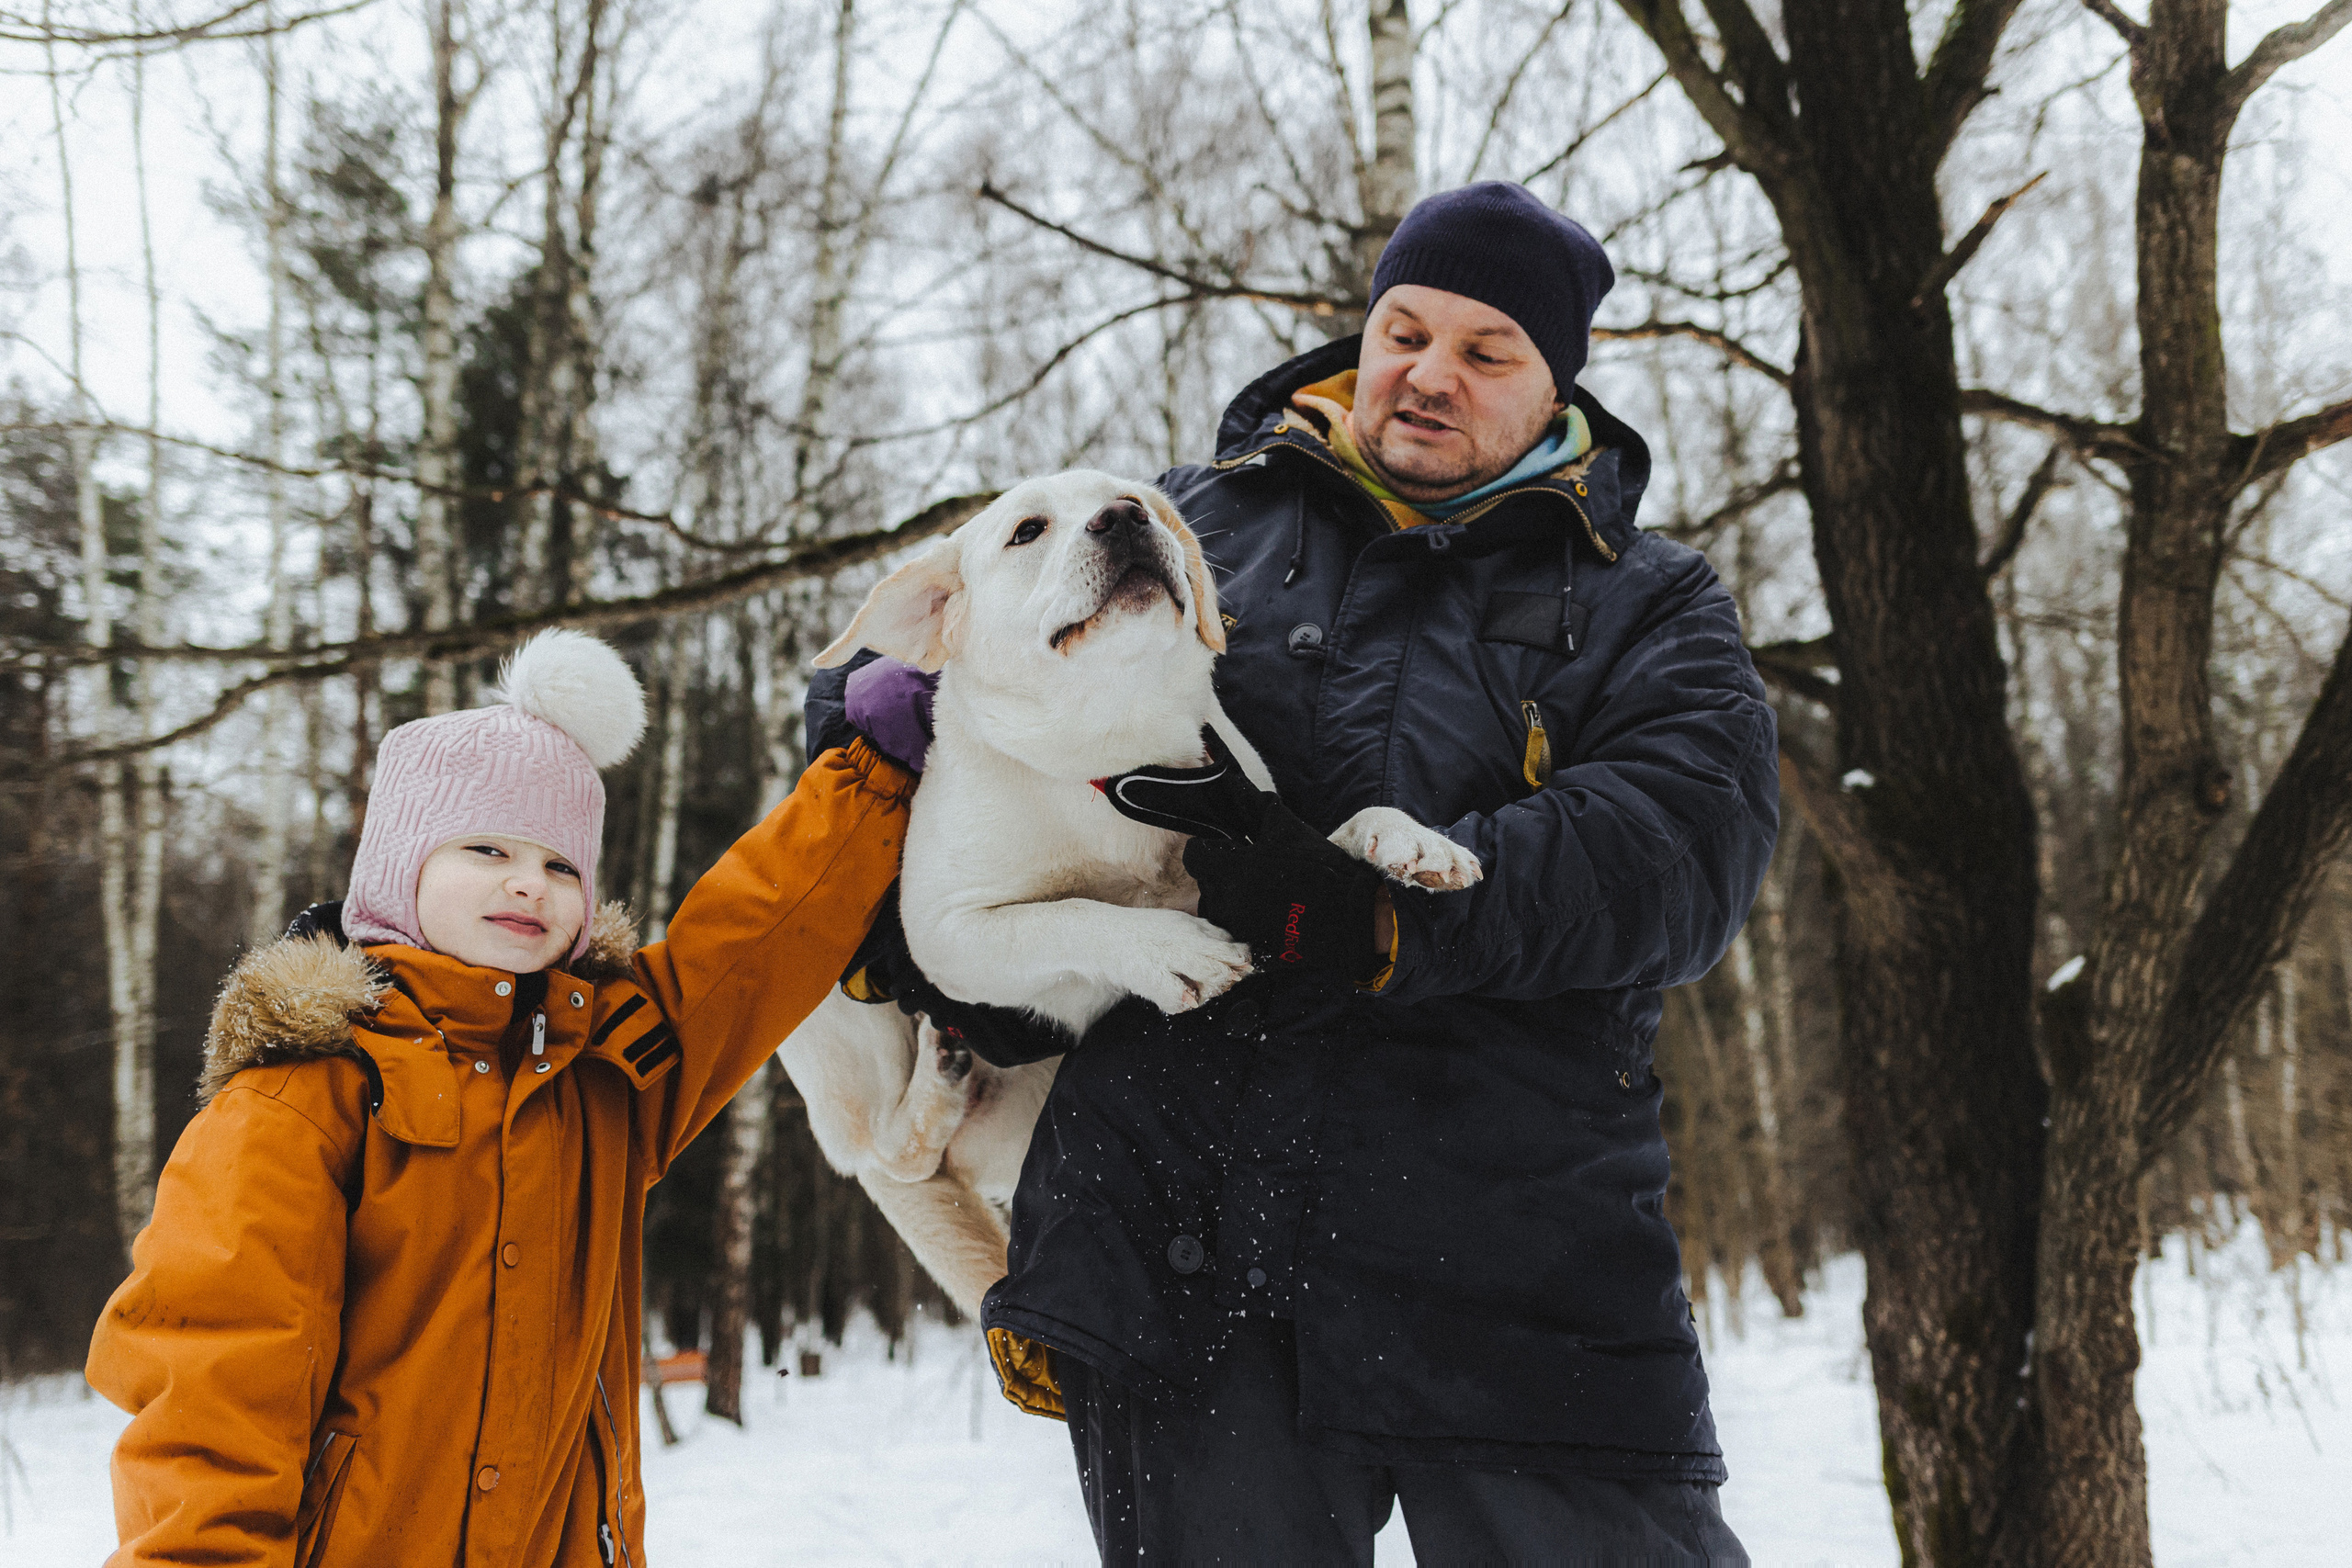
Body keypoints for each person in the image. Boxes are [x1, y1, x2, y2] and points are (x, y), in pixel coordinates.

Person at [820, 181, 1778, 1561]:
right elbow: (946, 666)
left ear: (1557, 378)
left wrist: (1378, 918)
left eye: (1486, 350)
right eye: (1405, 329)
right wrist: (876, 803)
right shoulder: (1182, 522)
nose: (1429, 373)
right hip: (1181, 1234)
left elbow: (1678, 850)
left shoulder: (1645, 597)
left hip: (1515, 1240)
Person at [85, 628, 933, 1567]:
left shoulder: (607, 1069)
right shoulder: (302, 1095)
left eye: (561, 865)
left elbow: (754, 941)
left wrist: (869, 780)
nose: (529, 882)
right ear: (397, 869)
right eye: (485, 848)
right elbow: (212, 1390)